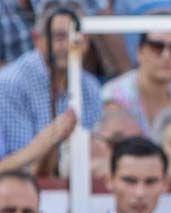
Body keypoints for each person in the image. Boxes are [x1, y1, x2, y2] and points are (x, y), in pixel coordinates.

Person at [0, 2, 102, 171]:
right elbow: (13, 169)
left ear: (87, 41)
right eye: (60, 37)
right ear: (36, 38)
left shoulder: (90, 87)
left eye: (77, 37)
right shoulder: (10, 84)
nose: (69, 46)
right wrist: (47, 141)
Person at [68, 136, 171, 213]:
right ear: (109, 181)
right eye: (130, 181)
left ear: (165, 184)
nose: (140, 193)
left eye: (150, 182)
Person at [101, 30, 171, 136]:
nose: (167, 55)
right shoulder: (114, 96)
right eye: (157, 47)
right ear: (140, 52)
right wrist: (165, 119)